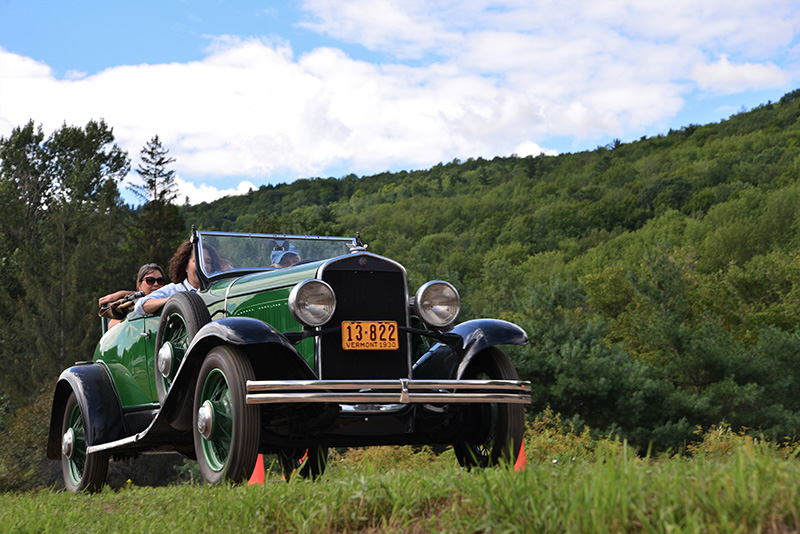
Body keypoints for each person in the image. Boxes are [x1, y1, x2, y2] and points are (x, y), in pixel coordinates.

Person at [134, 240, 205, 315]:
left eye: (208, 261)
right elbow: (140, 305)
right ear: (186, 266)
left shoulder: (213, 289)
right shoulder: (173, 290)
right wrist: (175, 299)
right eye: (150, 280)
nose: (203, 266)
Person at [98, 263, 166, 328]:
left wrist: (122, 293)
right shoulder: (132, 304)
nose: (156, 284)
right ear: (139, 285)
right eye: (150, 280)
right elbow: (112, 325)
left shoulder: (169, 298)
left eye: (160, 281)